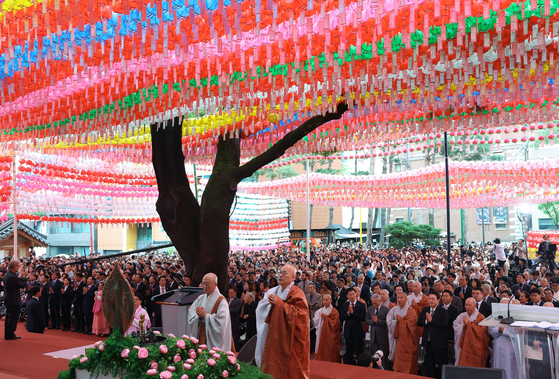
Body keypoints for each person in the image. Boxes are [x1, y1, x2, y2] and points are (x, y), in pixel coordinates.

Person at [255, 264, 310, 379]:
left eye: (284, 273)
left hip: (289, 336)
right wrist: (274, 304)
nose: (280, 275)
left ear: (293, 277)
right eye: (279, 272)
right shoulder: (272, 291)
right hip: (273, 333)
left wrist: (279, 304)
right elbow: (261, 308)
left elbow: (301, 315)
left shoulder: (297, 293)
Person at [187, 273, 232, 351]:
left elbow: (222, 322)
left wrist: (205, 316)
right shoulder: (200, 298)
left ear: (215, 284)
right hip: (200, 333)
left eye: (207, 284)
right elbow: (192, 312)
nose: (204, 287)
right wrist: (198, 316)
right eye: (203, 284)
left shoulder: (221, 301)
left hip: (212, 337)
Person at [418, 292, 448, 379]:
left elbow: (444, 325)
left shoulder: (443, 311)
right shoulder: (425, 310)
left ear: (438, 300)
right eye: (429, 299)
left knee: (440, 364)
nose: (430, 301)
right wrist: (426, 321)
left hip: (439, 343)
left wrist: (432, 321)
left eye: (433, 299)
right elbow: (419, 323)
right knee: (430, 364)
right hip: (428, 342)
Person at [387, 292, 418, 374]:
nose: (399, 300)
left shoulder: (411, 311)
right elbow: (388, 320)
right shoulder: (394, 309)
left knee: (408, 361)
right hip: (398, 338)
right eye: (398, 298)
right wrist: (395, 322)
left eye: (401, 298)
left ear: (406, 299)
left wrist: (401, 321)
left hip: (408, 340)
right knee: (398, 358)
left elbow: (412, 324)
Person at [488, 299, 520, 379]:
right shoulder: (495, 317)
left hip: (511, 346)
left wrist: (504, 330)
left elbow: (518, 333)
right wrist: (499, 329)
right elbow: (491, 331)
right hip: (498, 345)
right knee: (497, 366)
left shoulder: (517, 317)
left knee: (510, 368)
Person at [453, 298, 490, 367]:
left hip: (474, 347)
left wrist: (469, 324)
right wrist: (463, 326)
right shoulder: (462, 315)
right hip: (461, 344)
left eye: (469, 305)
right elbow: (455, 325)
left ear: (475, 306)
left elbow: (483, 332)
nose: (467, 307)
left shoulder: (480, 317)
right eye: (466, 305)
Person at [340, 287, 366, 365]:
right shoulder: (345, 305)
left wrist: (353, 313)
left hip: (358, 332)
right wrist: (348, 313)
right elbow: (342, 317)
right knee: (349, 351)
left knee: (359, 351)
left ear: (356, 294)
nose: (352, 296)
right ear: (347, 296)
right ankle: (350, 365)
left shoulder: (361, 305)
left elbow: (363, 318)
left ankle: (360, 366)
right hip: (348, 332)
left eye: (353, 294)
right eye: (350, 294)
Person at [3, 260, 28, 340]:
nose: (18, 268)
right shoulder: (13, 276)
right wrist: (24, 278)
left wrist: (20, 278)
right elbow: (22, 285)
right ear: (14, 267)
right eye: (17, 266)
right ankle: (11, 334)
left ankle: (7, 334)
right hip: (14, 300)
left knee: (8, 317)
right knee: (13, 318)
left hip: (8, 299)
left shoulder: (6, 275)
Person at [313, 294, 341, 362]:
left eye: (326, 300)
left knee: (330, 348)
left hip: (330, 335)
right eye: (323, 300)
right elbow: (315, 320)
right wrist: (322, 318)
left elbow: (335, 325)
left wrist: (325, 318)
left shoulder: (334, 312)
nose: (325, 301)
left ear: (331, 301)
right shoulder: (319, 311)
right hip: (321, 332)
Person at [365, 294, 390, 368]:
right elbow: (367, 320)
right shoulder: (370, 309)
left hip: (382, 336)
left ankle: (384, 370)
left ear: (380, 301)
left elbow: (387, 322)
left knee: (383, 356)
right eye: (373, 303)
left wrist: (377, 321)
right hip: (373, 336)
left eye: (376, 303)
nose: (374, 304)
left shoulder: (386, 309)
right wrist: (373, 322)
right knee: (374, 355)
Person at [227, 286, 242, 351]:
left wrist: (227, 309)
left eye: (231, 293)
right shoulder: (226, 299)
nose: (230, 294)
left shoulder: (238, 301)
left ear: (235, 293)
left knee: (234, 336)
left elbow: (236, 310)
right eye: (229, 292)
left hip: (234, 321)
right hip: (227, 320)